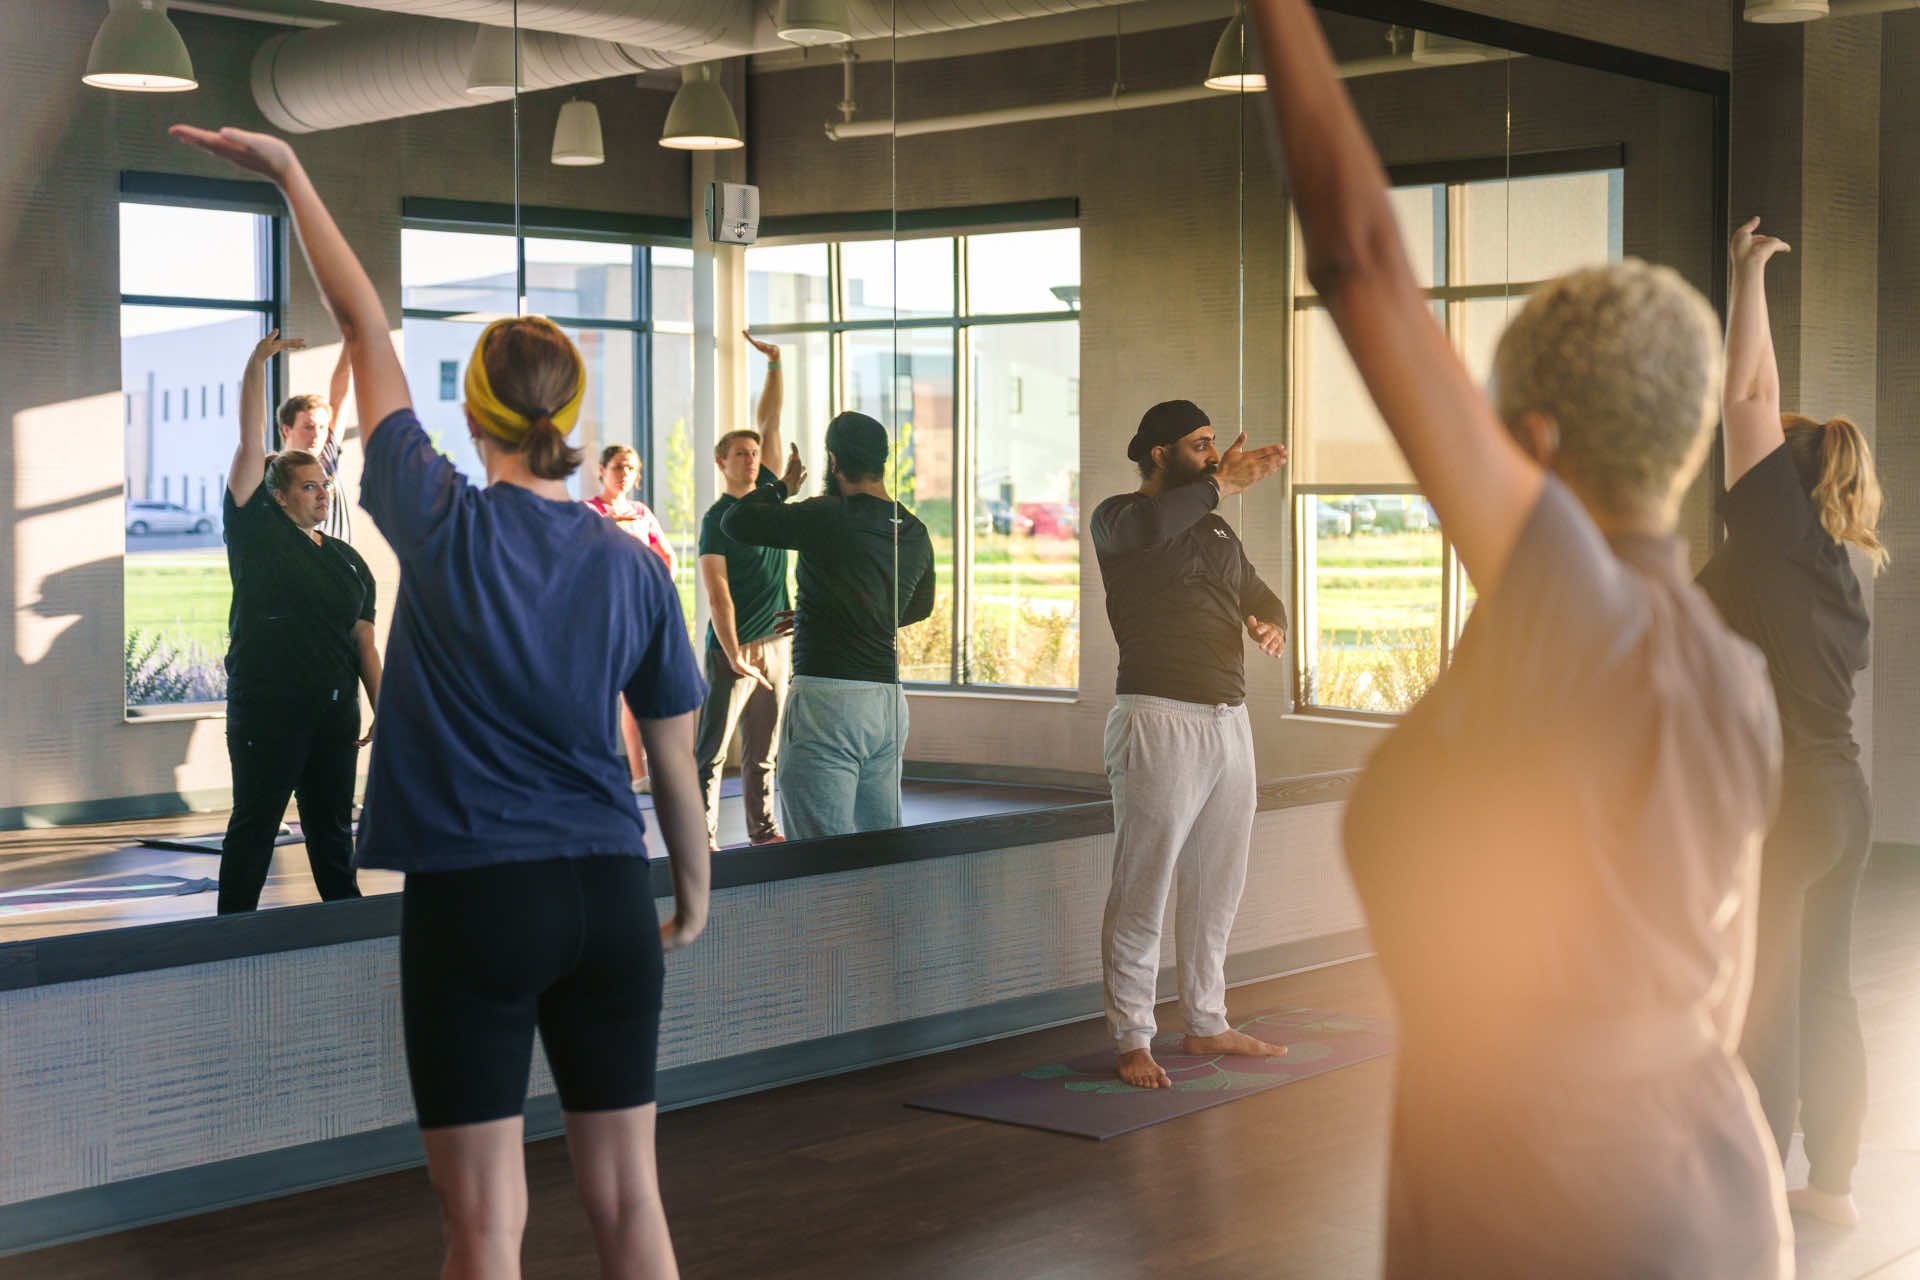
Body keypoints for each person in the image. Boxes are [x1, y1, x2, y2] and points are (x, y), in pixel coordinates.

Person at [1248, 2, 1790, 1276]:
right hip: (1705, 1187)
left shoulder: (1571, 600)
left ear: (1535, 445)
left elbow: (1363, 260)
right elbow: (1721, 987)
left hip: (1566, 1209)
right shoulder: (1739, 672)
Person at [173, 121, 712, 1280]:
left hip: (479, 901)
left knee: (485, 1224)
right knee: (631, 1207)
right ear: (567, 421)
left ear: (473, 420)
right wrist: (695, 893)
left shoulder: (442, 517)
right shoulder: (634, 565)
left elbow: (365, 324)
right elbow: (674, 761)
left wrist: (292, 175)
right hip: (612, 896)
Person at [1697, 217, 1886, 1229]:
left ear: (1786, 479)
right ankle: (1835, 1186)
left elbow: (1747, 395)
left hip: (1790, 799)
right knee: (1827, 990)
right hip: (1845, 798)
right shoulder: (1836, 570)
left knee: (1766, 997)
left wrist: (1746, 275)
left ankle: (1762, 1182)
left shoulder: (1769, 532)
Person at [1090, 400, 1291, 1089]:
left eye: (1214, 446)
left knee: (1216, 885)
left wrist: (1271, 622)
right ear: (1160, 453)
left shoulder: (1213, 531)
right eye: (1201, 445)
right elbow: (1152, 523)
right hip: (1155, 718)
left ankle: (1206, 1022)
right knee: (1143, 886)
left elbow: (1259, 592)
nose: (1213, 455)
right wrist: (1223, 485)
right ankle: (1132, 1037)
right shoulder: (1120, 518)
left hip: (1227, 723)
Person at [216, 330, 380, 915]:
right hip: (267, 708)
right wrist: (256, 362)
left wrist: (382, 706)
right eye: (308, 486)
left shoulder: (347, 560)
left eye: (324, 484)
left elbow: (364, 642)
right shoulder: (255, 532)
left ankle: (349, 932)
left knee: (334, 834)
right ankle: (231, 936)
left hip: (333, 714)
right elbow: (248, 442)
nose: (320, 492)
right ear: (278, 495)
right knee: (256, 827)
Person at [720, 410, 934, 839]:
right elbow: (917, 608)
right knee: (880, 846)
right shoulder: (913, 529)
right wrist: (840, 614)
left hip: (828, 701)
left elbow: (737, 521)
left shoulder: (826, 513)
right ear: (883, 461)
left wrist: (781, 486)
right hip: (887, 705)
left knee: (819, 854)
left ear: (833, 462)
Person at [693, 332, 807, 849]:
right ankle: (702, 838)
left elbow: (770, 421)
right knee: (713, 752)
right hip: (732, 648)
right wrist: (734, 650)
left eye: (754, 453)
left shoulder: (768, 495)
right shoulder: (717, 518)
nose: (751, 457)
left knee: (764, 750)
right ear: (721, 462)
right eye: (740, 454)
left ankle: (763, 832)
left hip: (776, 644)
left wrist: (775, 367)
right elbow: (717, 589)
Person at [586, 444, 678, 797]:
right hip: (598, 617)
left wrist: (658, 600)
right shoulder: (588, 511)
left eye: (631, 468)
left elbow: (666, 556)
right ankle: (595, 773)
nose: (624, 473)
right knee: (595, 694)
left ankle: (640, 776)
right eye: (618, 466)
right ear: (602, 469)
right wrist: (606, 525)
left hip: (636, 616)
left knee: (634, 697)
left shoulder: (641, 511)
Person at [277, 342, 356, 542]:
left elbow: (340, 393)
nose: (317, 435)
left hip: (342, 565)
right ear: (287, 429)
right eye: (308, 427)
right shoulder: (275, 474)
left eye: (322, 427)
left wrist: (351, 339)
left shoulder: (326, 456)